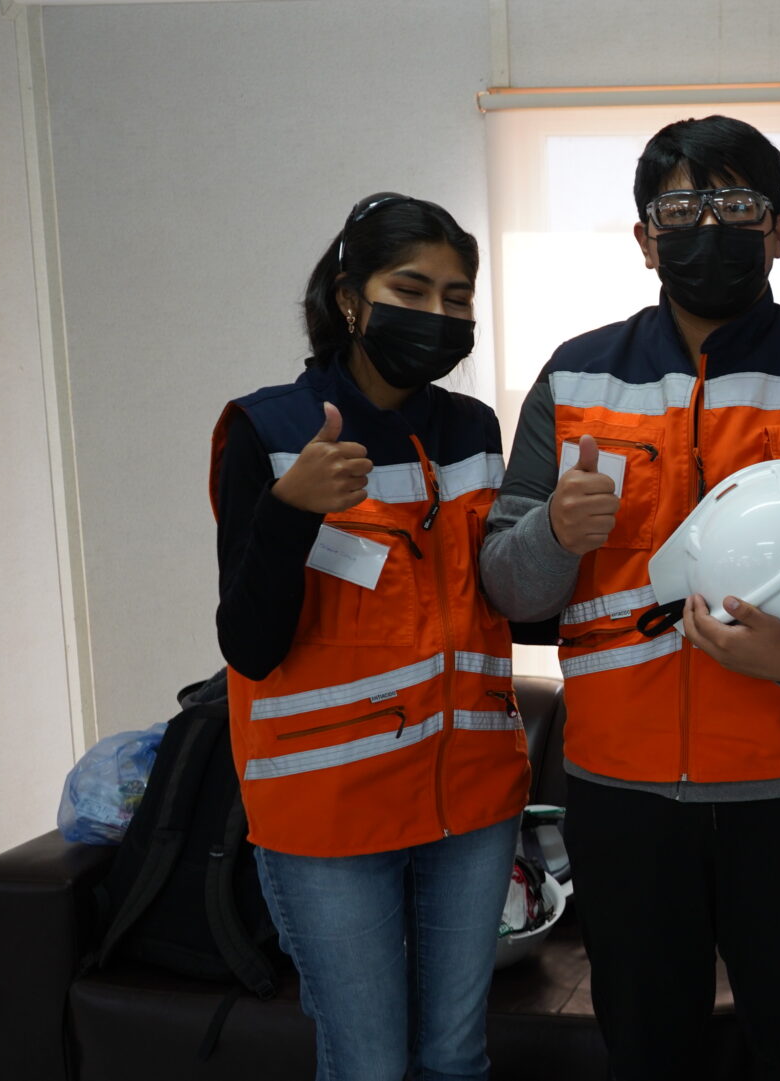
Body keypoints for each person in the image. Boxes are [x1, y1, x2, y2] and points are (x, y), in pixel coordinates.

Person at [478, 116, 780, 1079]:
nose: (708, 227)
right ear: (644, 238)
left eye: (737, 205)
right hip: (621, 793)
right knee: (646, 1048)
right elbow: (505, 587)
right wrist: (554, 534)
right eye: (680, 209)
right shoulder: (575, 376)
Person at [211, 192, 531, 1080]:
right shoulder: (272, 430)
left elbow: (500, 600)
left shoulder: (473, 430)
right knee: (369, 1067)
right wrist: (289, 511)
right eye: (410, 290)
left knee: (457, 1057)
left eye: (457, 297)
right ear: (350, 299)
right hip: (329, 811)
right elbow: (248, 642)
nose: (437, 314)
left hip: (471, 799)